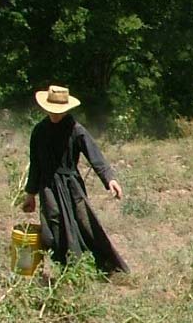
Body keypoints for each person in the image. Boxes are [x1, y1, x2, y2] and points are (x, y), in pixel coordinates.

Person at [22, 85, 129, 275]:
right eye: (52, 110)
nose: (55, 114)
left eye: (60, 111)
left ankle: (100, 266)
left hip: (72, 185)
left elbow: (94, 155)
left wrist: (109, 179)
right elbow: (35, 165)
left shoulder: (76, 130)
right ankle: (64, 268)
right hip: (48, 186)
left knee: (83, 223)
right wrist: (30, 194)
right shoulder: (39, 131)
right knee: (52, 228)